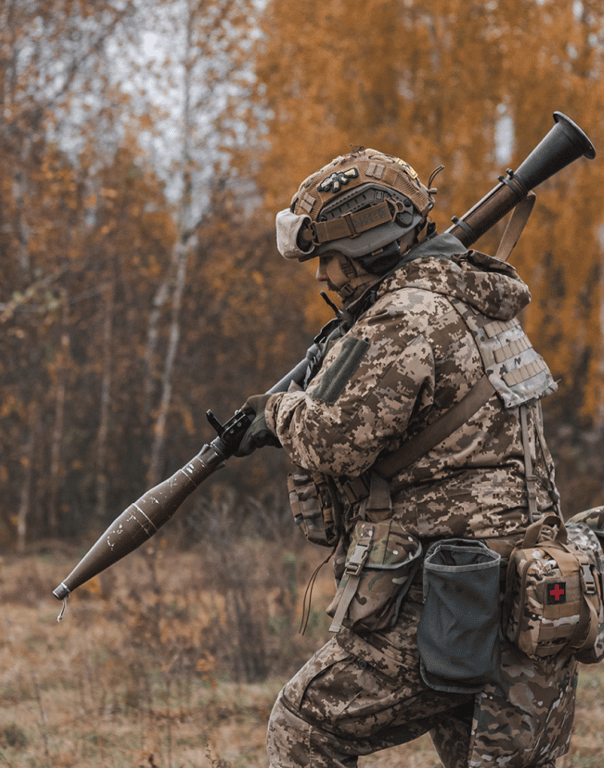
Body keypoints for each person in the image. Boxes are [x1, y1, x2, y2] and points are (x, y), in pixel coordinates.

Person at [239, 149, 574, 767]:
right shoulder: (477, 299)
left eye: (330, 261)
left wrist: (275, 412)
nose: (323, 279)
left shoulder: (405, 317)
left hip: (445, 601)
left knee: (304, 727)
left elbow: (335, 441)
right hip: (535, 593)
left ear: (368, 249)